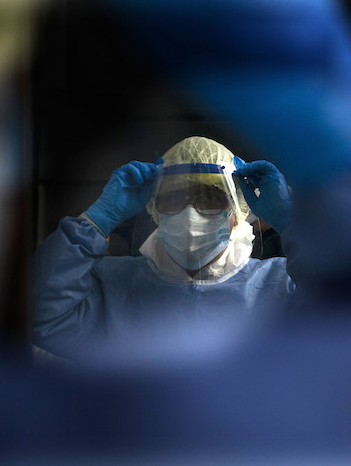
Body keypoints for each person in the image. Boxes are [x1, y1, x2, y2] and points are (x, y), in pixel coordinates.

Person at [33, 136, 295, 358]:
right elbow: (42, 315)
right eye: (175, 197)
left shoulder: (283, 285)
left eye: (209, 198)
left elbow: (335, 318)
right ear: (155, 210)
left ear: (238, 211)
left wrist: (293, 225)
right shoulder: (111, 287)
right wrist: (99, 218)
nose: (190, 211)